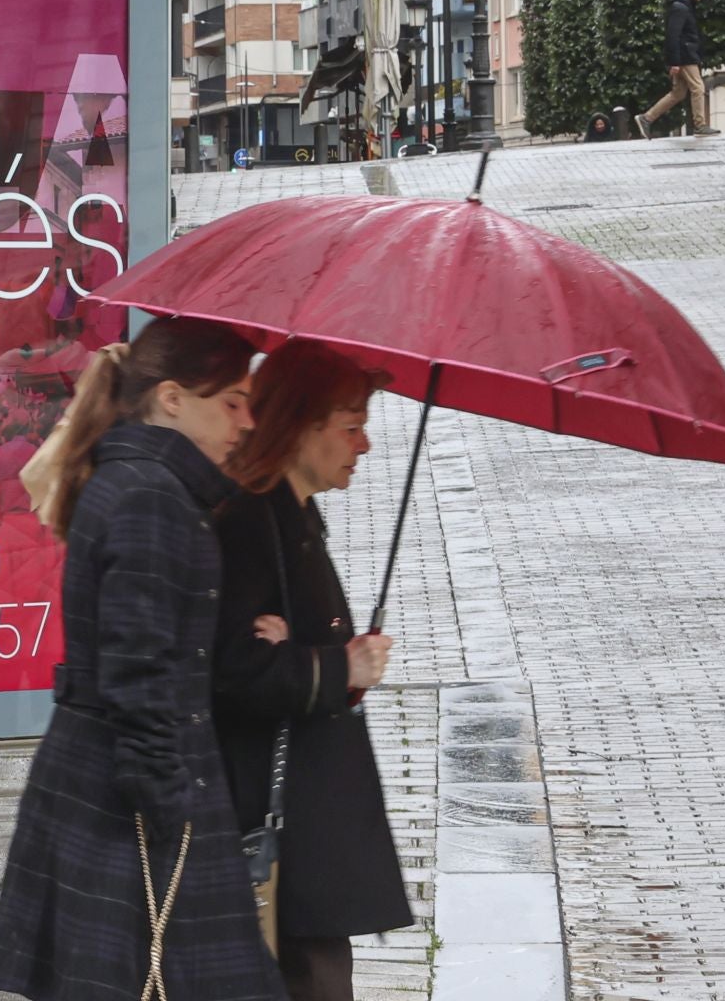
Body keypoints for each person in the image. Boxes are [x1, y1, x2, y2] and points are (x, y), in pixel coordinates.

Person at [0, 317, 285, 1001]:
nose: (245, 423)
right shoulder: (151, 495)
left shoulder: (147, 485)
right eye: (232, 402)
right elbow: (136, 669)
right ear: (172, 398)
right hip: (127, 799)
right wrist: (171, 805)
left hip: (110, 780)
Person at [213, 342, 413, 1001]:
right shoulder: (250, 517)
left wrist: (328, 663)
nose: (365, 445)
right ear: (301, 426)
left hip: (304, 825)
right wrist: (332, 665)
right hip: (276, 826)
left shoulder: (291, 513)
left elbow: (279, 654)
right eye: (351, 425)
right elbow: (234, 672)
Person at [634, 0, 715, 138]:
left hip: (684, 55)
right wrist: (675, 62)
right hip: (685, 57)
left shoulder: (684, 6)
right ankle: (700, 125)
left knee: (678, 93)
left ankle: (646, 118)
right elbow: (673, 35)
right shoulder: (681, 8)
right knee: (698, 88)